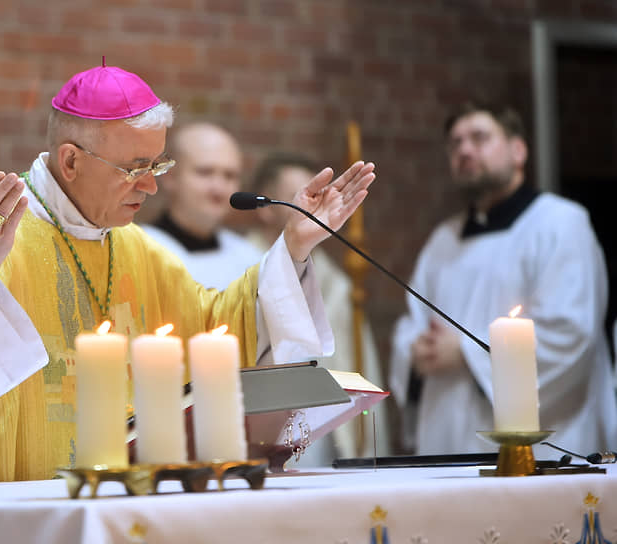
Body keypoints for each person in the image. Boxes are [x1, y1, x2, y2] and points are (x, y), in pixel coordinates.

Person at [0, 63, 376, 486]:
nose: (151, 188)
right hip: (31, 507)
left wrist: (294, 245)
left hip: (128, 498)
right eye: (135, 168)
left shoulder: (136, 248)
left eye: (157, 166)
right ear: (70, 160)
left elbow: (217, 328)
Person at [389, 101, 617, 457]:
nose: (464, 149)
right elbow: (411, 324)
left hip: (551, 443)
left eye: (479, 137)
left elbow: (570, 331)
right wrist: (416, 353)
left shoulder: (560, 223)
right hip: (447, 435)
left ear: (518, 149)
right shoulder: (442, 240)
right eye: (455, 143)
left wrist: (467, 353)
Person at [249, 153, 391, 461]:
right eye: (295, 197)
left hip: (325, 434)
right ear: (264, 209)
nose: (307, 206)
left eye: (313, 196)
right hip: (263, 429)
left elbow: (357, 361)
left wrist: (365, 443)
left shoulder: (335, 282)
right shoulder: (241, 264)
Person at [140, 122, 261, 290]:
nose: (218, 188)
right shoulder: (140, 251)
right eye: (205, 172)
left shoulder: (250, 259)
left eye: (229, 176)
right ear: (170, 177)